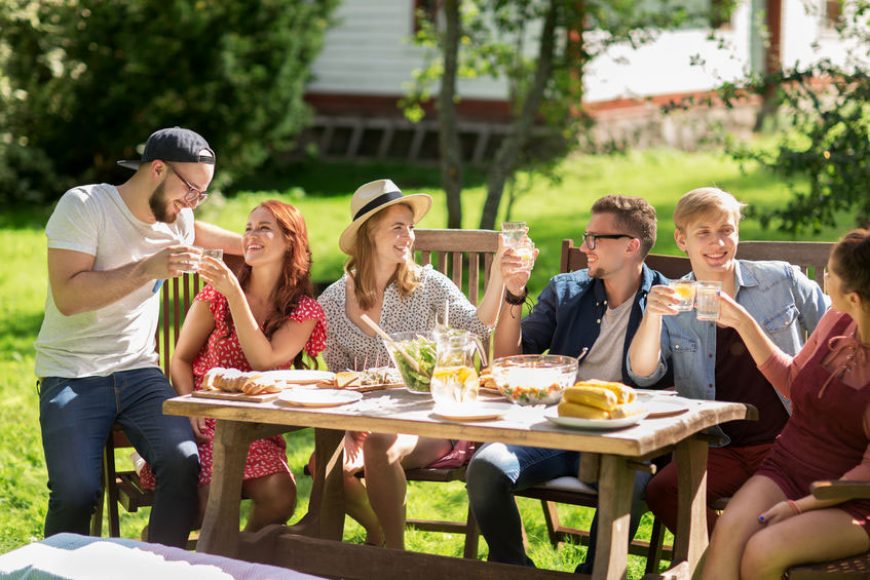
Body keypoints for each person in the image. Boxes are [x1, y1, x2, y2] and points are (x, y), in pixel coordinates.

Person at [36, 127, 240, 548]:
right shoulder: (85, 206)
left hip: (138, 372)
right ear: (157, 169)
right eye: (190, 190)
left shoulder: (178, 217)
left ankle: (155, 568)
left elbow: (196, 229)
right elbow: (69, 297)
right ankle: (53, 573)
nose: (191, 203)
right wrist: (146, 270)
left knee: (184, 463)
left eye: (201, 195)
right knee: (76, 493)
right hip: (71, 372)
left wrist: (262, 242)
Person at [466, 195, 671, 572]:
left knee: (636, 485)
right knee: (486, 468)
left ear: (631, 245)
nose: (583, 247)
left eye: (595, 239)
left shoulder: (664, 301)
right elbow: (507, 362)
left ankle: (595, 574)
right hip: (556, 430)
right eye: (584, 237)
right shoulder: (566, 290)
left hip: (621, 444)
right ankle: (514, 571)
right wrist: (514, 292)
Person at [627, 186, 829, 537]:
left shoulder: (780, 281)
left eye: (726, 231)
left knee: (757, 510)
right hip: (719, 444)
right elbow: (642, 374)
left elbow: (840, 326)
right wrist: (652, 318)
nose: (717, 244)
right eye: (703, 233)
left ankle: (732, 559)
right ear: (681, 239)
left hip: (786, 441)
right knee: (663, 490)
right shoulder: (675, 299)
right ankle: (727, 560)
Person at [318, 178, 506, 549]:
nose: (409, 237)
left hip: (432, 417)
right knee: (326, 464)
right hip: (362, 423)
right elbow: (337, 377)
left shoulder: (429, 284)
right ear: (368, 235)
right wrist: (348, 430)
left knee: (380, 445)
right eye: (397, 228)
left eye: (411, 228)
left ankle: (394, 557)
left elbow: (478, 328)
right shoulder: (333, 301)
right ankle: (379, 533)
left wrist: (500, 271)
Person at [138, 200, 326, 532]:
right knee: (207, 506)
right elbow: (180, 359)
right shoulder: (216, 296)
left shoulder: (303, 310)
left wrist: (235, 293)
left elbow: (264, 361)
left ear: (290, 242)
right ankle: (155, 552)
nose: (251, 236)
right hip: (206, 425)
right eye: (248, 228)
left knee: (281, 494)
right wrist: (190, 408)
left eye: (264, 228)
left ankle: (236, 560)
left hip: (257, 426)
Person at [701, 229, 869, 579]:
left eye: (830, 273)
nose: (824, 277)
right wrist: (743, 322)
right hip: (788, 466)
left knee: (762, 551)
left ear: (852, 296)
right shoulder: (836, 319)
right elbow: (792, 380)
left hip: (852, 496)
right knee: (729, 531)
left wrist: (798, 507)